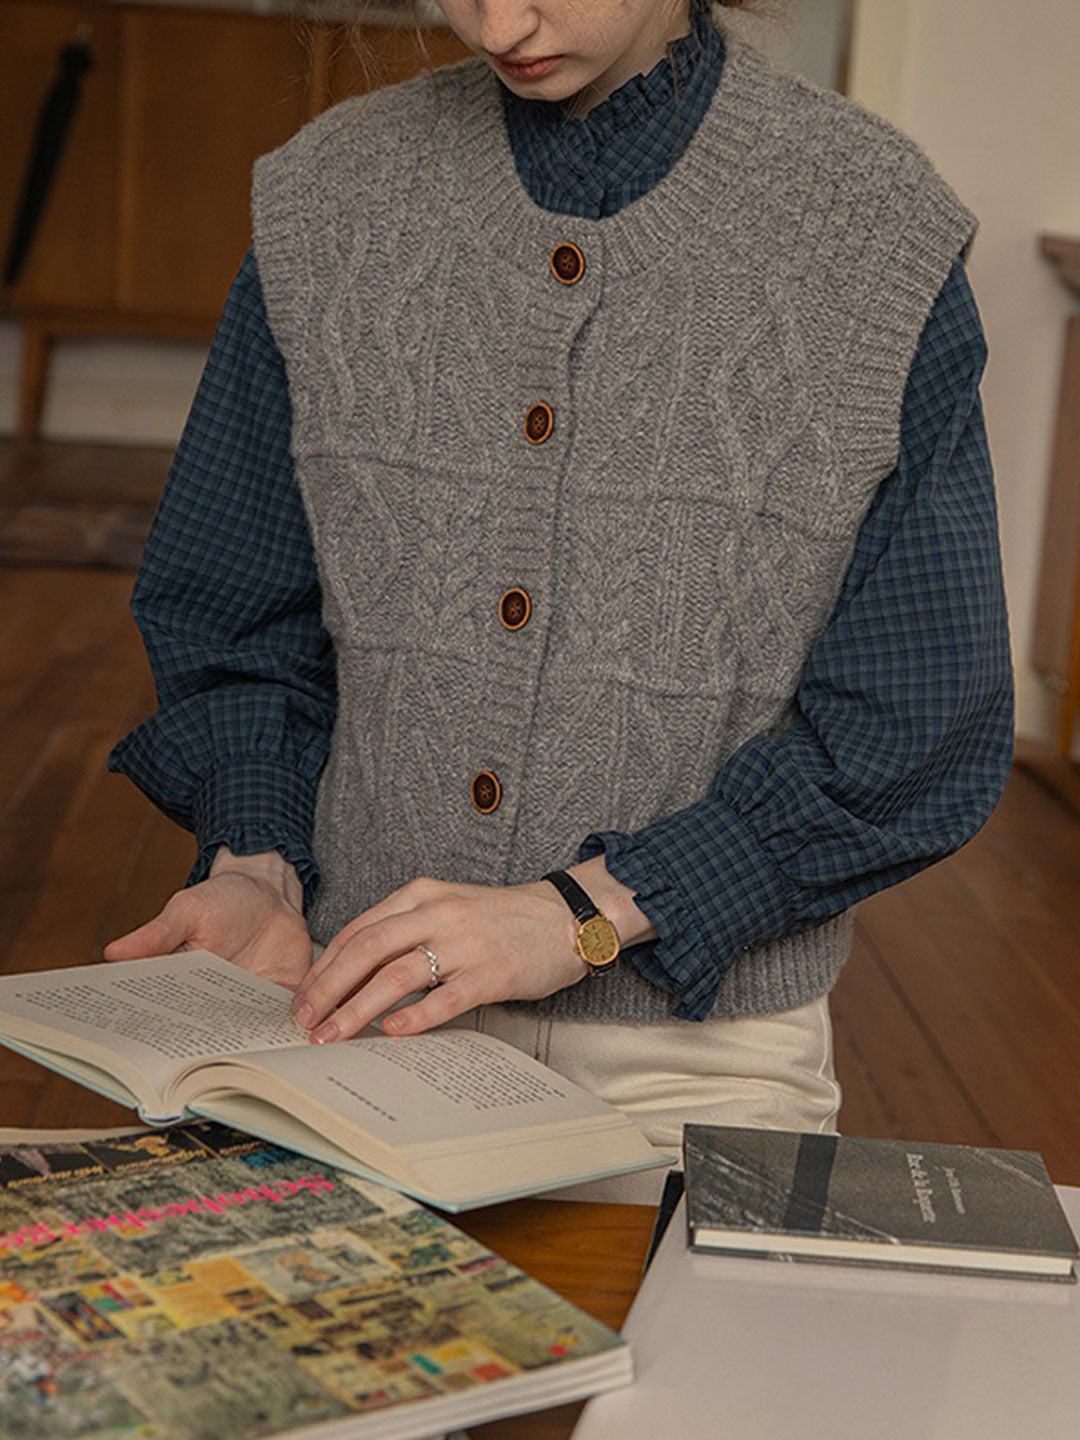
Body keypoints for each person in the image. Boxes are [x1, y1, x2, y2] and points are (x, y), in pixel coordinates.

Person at [105, 0, 1012, 1195]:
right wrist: (254, 860)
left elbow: (916, 718)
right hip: (349, 1007)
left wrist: (585, 912)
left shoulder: (873, 227)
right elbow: (237, 614)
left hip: (697, 1058)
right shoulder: (326, 198)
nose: (498, 23)